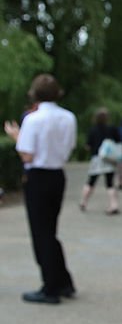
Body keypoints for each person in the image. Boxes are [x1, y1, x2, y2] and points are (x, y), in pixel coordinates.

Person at [3, 74, 77, 304]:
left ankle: (50, 288)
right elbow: (69, 147)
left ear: (34, 94)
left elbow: (26, 154)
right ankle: (64, 281)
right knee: (50, 231)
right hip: (57, 175)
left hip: (38, 177)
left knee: (41, 234)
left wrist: (16, 136)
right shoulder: (68, 117)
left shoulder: (33, 120)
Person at [81, 108, 122, 215]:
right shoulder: (112, 129)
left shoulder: (93, 130)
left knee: (91, 181)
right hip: (109, 159)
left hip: (96, 159)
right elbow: (119, 142)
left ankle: (84, 202)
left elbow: (88, 146)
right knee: (110, 183)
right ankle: (114, 205)